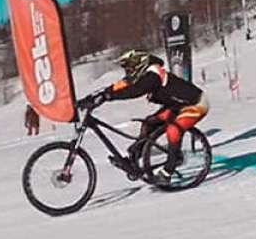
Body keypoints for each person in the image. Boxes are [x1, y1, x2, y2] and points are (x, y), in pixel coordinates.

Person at [78, 49, 209, 178]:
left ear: (139, 63)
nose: (128, 71)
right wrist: (92, 97)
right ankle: (134, 159)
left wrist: (108, 96)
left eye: (129, 67)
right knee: (149, 124)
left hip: (196, 103)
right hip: (177, 106)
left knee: (173, 130)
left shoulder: (154, 73)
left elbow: (136, 90)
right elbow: (118, 86)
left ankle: (168, 171)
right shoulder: (142, 75)